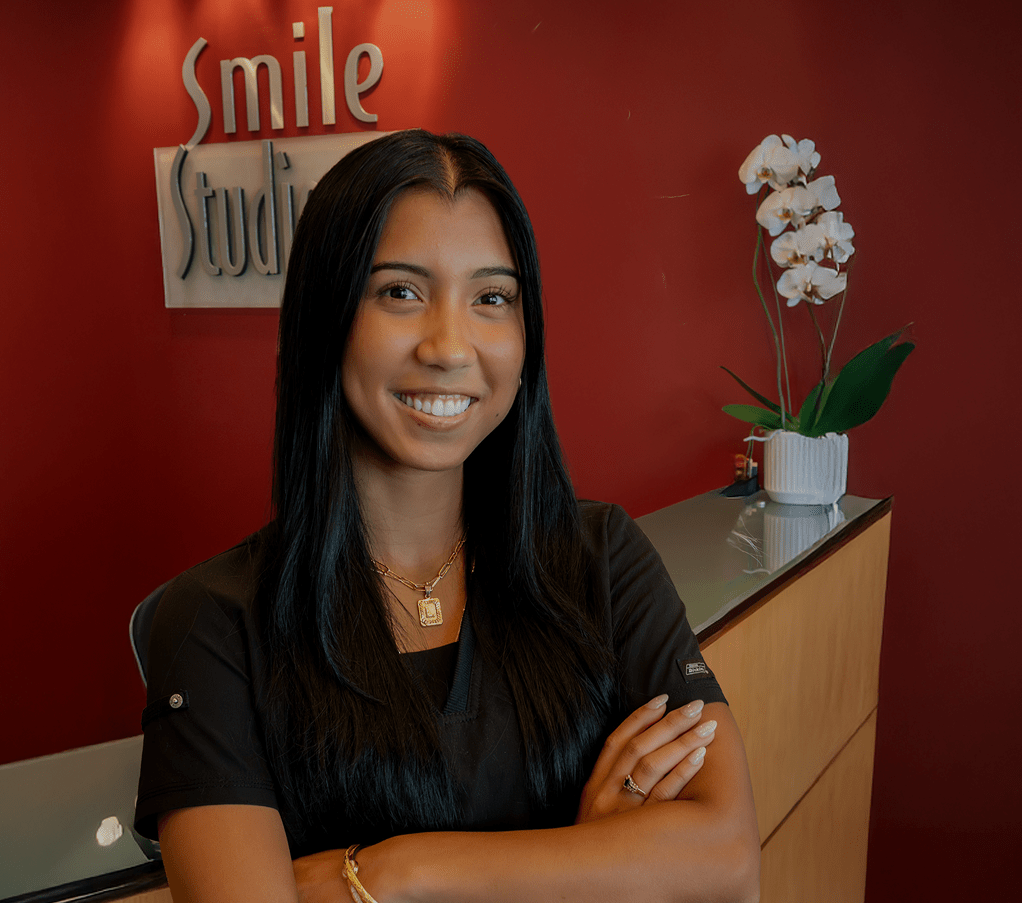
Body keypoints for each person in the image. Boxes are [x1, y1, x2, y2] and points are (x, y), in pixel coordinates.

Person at [135, 130, 761, 903]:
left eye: (492, 297)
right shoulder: (214, 624)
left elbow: (729, 861)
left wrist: (389, 874)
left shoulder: (599, 557)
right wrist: (588, 862)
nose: (450, 345)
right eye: (400, 291)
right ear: (325, 321)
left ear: (525, 338)